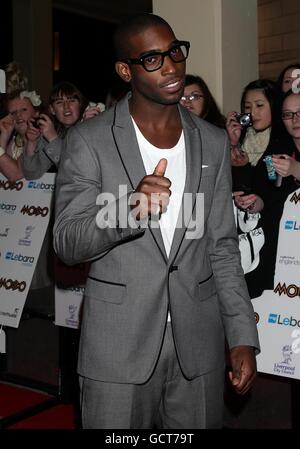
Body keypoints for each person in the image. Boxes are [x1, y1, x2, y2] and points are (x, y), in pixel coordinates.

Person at [53, 13, 259, 429]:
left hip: (198, 346)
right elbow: (66, 242)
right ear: (125, 70)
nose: (170, 67)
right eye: (152, 59)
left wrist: (240, 336)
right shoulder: (88, 142)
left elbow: (222, 245)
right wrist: (129, 208)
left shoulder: (213, 141)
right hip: (117, 349)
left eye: (174, 53)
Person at [226, 79, 291, 299]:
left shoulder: (285, 142)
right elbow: (231, 187)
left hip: (273, 237)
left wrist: (256, 197)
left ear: (275, 106)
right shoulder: (240, 139)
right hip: (240, 238)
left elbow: (276, 189)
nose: (252, 112)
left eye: (259, 105)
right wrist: (231, 144)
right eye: (247, 107)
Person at [22, 81, 104, 180]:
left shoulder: (93, 125)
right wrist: (31, 142)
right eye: (59, 102)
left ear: (80, 104)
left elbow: (77, 171)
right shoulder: (53, 131)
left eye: (71, 100)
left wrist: (53, 138)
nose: (66, 107)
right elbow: (31, 174)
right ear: (52, 110)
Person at [0, 89, 42, 183]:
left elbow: (15, 175)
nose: (18, 115)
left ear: (36, 113)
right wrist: (4, 136)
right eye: (13, 112)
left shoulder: (41, 139)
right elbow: (3, 170)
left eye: (24, 109)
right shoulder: (15, 140)